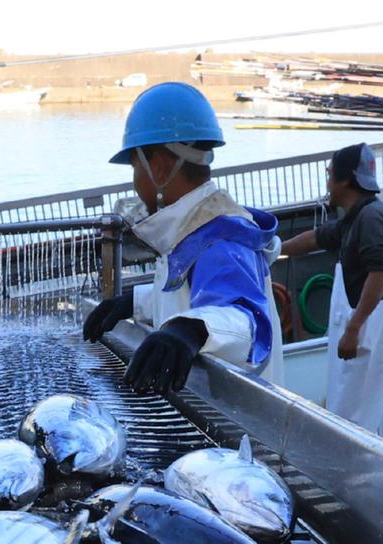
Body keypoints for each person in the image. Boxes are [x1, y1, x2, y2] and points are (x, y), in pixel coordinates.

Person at [81, 82, 283, 393]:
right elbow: (191, 293)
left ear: (159, 168)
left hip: (234, 427)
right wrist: (133, 303)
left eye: (135, 168)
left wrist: (190, 330)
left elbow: (245, 320)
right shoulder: (194, 228)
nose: (134, 182)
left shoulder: (221, 240)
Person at [279, 143, 383, 433]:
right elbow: (315, 239)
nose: (328, 182)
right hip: (356, 335)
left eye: (330, 174)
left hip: (364, 333)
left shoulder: (372, 218)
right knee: (347, 407)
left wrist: (353, 328)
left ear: (346, 180)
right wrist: (272, 250)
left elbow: (379, 274)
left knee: (357, 415)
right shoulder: (354, 217)